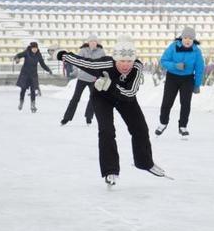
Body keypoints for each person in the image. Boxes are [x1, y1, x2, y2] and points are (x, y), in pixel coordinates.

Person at [57, 35, 166, 186]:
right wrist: (62, 54)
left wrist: (111, 86)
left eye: (129, 60)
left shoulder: (137, 68)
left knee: (140, 128)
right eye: (122, 61)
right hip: (101, 97)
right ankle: (110, 171)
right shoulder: (105, 63)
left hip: (125, 98)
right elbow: (83, 62)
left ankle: (145, 163)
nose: (126, 65)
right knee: (107, 130)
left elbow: (131, 92)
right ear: (115, 59)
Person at [155, 26, 205, 137]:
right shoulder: (173, 47)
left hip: (187, 79)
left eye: (190, 38)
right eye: (185, 37)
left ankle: (183, 126)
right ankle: (163, 123)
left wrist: (197, 84)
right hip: (172, 78)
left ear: (193, 40)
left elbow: (200, 68)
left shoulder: (196, 51)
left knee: (185, 104)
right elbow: (163, 61)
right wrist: (175, 66)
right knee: (167, 102)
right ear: (181, 38)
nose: (188, 40)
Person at [60, 34, 105, 126]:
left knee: (94, 98)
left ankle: (89, 117)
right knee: (75, 98)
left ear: (97, 43)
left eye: (94, 41)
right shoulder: (83, 50)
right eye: (91, 41)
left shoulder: (101, 52)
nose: (93, 43)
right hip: (82, 78)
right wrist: (75, 71)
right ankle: (66, 118)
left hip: (94, 79)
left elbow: (104, 64)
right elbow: (76, 61)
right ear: (88, 43)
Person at [14, 42, 52, 113]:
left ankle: (33, 105)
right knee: (23, 89)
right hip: (25, 74)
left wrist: (48, 69)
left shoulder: (38, 55)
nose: (35, 49)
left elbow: (42, 64)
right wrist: (17, 59)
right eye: (33, 48)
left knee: (33, 91)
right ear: (31, 48)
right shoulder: (26, 52)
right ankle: (21, 102)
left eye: (36, 48)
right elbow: (18, 55)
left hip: (33, 75)